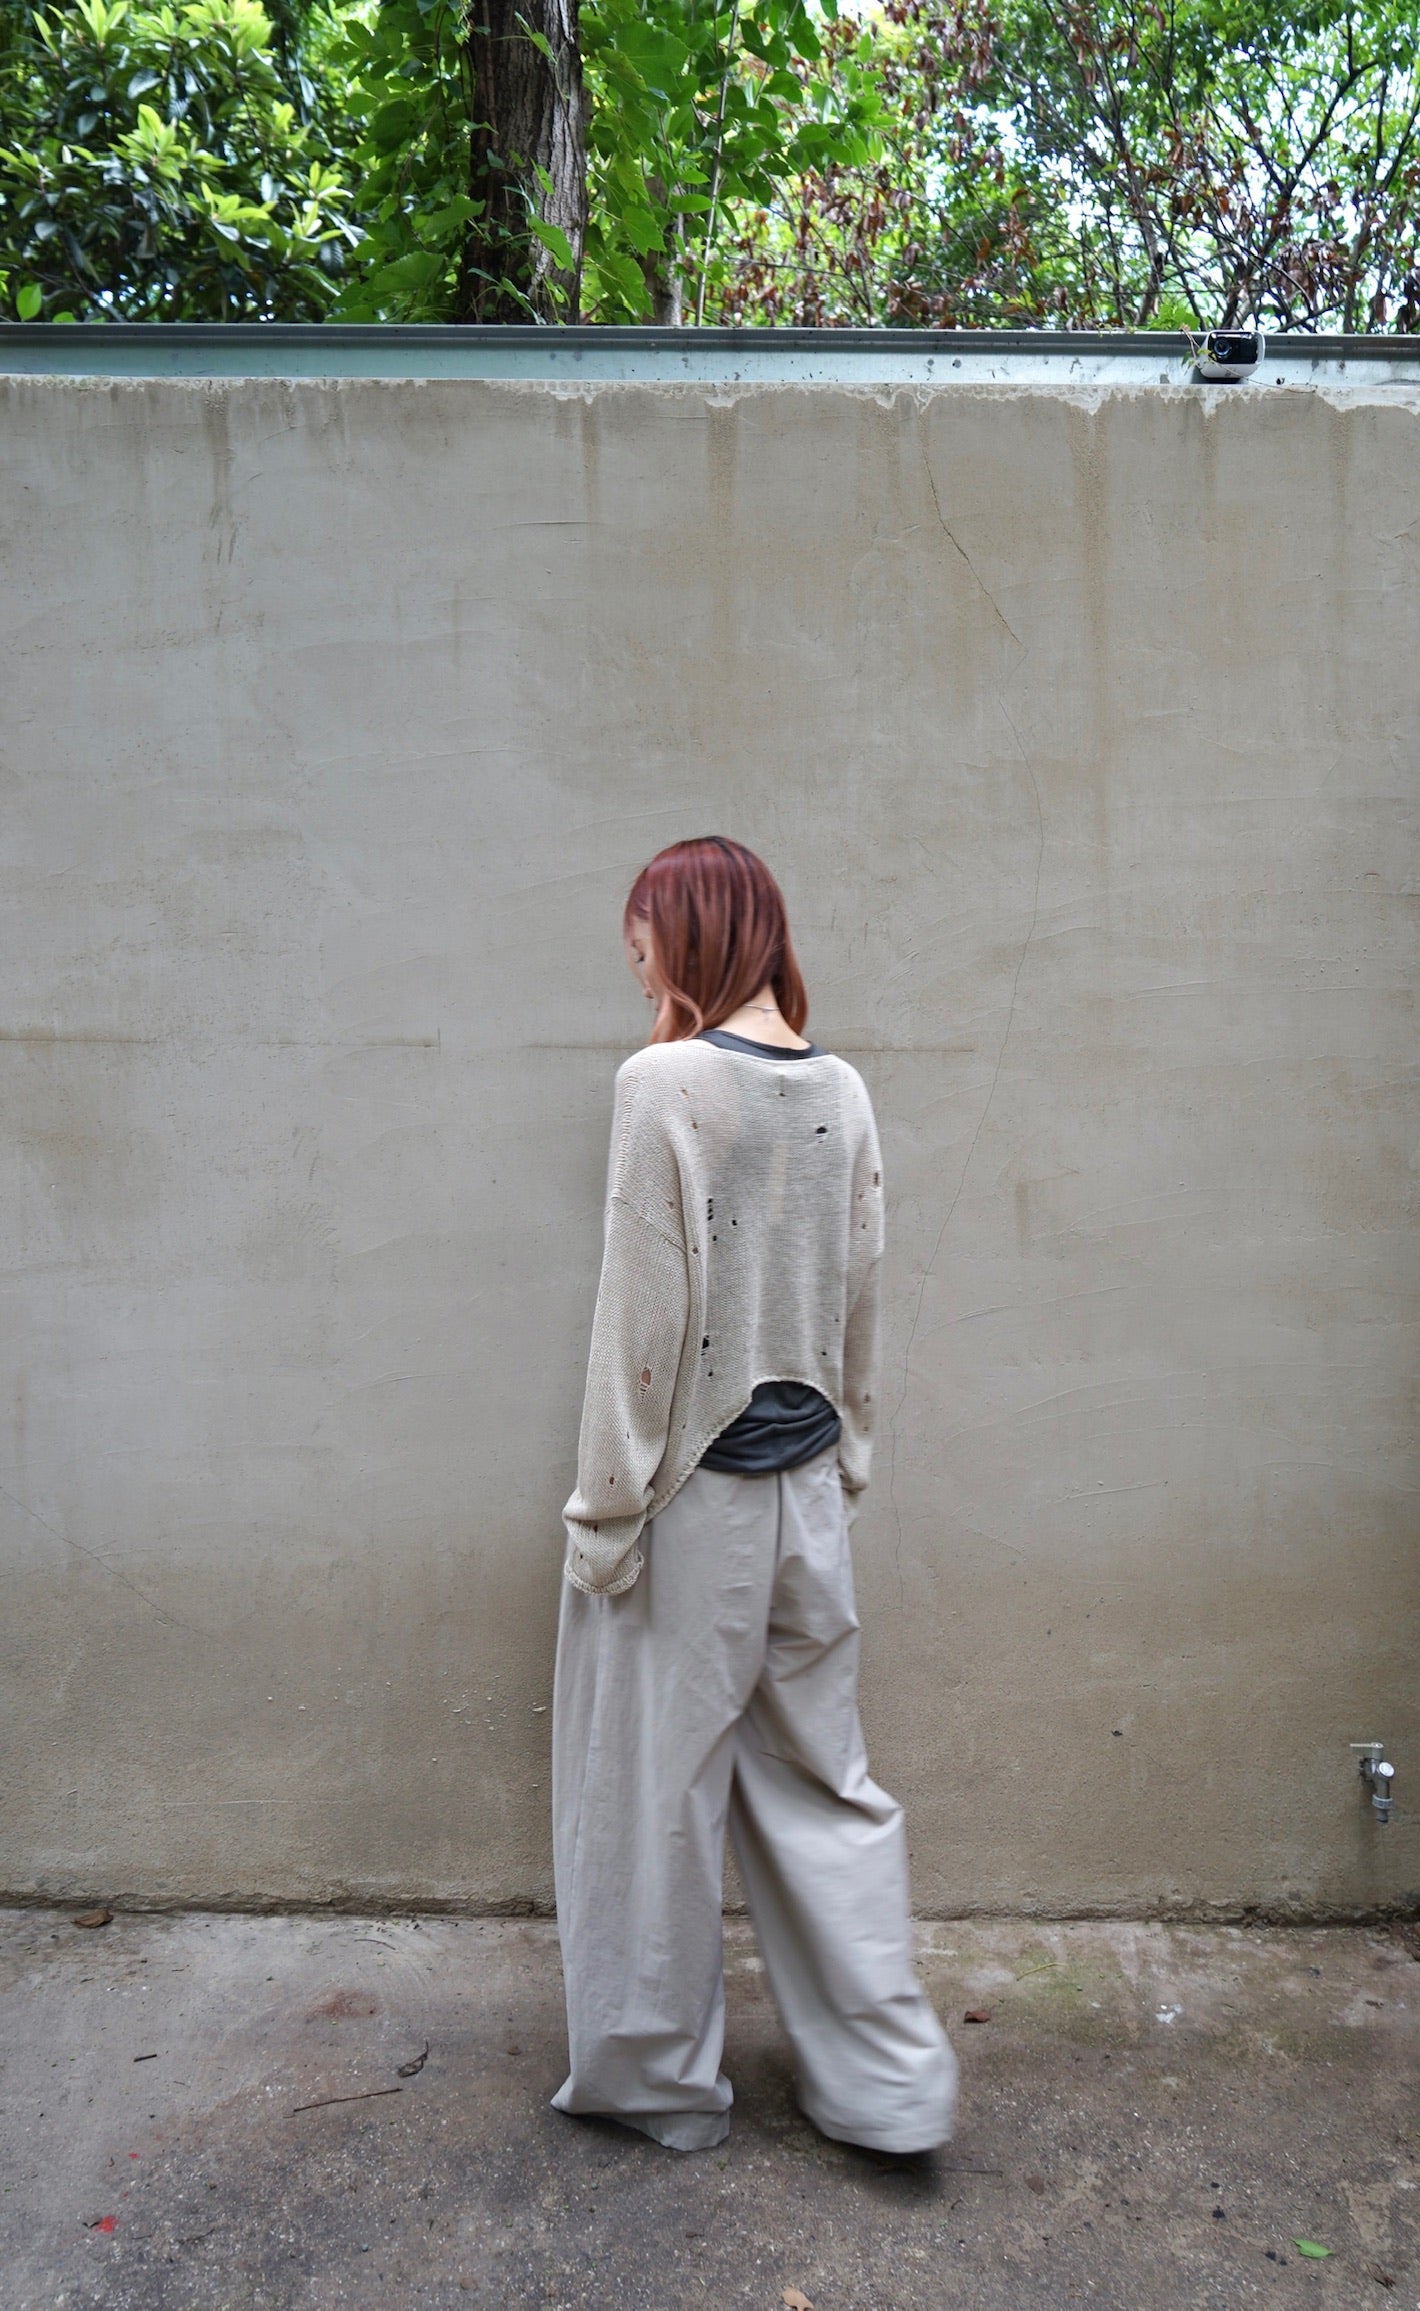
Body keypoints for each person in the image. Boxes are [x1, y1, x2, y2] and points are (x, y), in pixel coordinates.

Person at [549, 835, 958, 2155]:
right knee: (824, 1788)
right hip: (808, 1491)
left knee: (648, 1799)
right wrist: (850, 1457)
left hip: (688, 1506)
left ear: (687, 938)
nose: (639, 977)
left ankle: (652, 2082)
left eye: (643, 951)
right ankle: (889, 2086)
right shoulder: (842, 1087)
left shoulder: (663, 1083)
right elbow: (860, 1289)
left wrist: (606, 1510)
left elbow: (642, 1320)